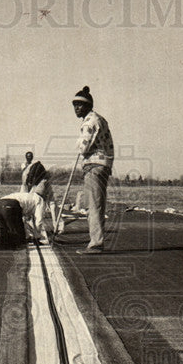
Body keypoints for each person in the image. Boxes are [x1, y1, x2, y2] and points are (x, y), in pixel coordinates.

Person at [72, 85, 113, 254]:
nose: (76, 108)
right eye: (74, 105)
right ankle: (97, 241)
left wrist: (79, 146)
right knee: (98, 204)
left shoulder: (90, 122)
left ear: (88, 106)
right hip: (103, 165)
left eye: (80, 105)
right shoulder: (99, 119)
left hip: (94, 166)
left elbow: (82, 148)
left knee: (93, 205)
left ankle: (96, 244)